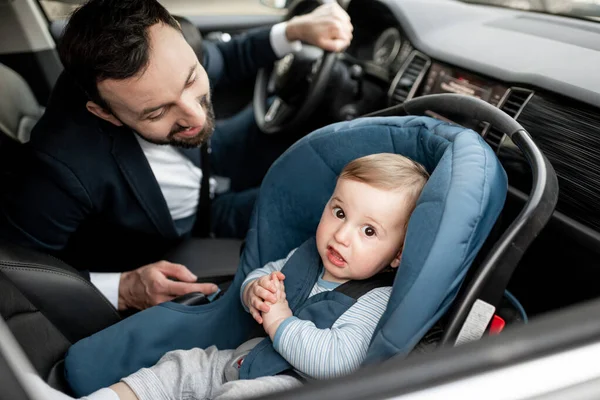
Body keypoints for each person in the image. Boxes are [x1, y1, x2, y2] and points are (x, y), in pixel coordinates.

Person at [0, 0, 353, 311]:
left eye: (191, 80)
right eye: (156, 113)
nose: (196, 117)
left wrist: (293, 30)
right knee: (322, 200)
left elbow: (227, 58)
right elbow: (19, 271)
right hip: (191, 228)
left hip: (204, 168)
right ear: (105, 113)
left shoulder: (167, 51)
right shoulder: (58, 170)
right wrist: (125, 288)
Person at [55, 153, 430, 400]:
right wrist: (255, 291)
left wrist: (279, 319)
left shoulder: (375, 298)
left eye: (369, 232)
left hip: (297, 385)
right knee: (182, 364)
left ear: (397, 255)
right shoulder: (308, 255)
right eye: (339, 212)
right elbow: (264, 274)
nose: (342, 235)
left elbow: (336, 361)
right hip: (244, 359)